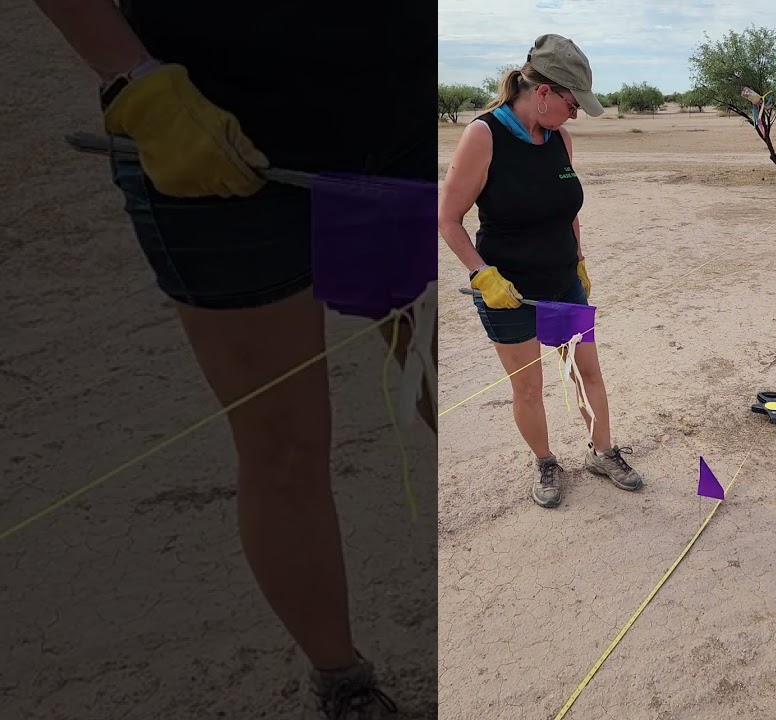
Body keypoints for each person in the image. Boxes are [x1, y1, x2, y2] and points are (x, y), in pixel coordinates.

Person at [31, 1, 435, 717]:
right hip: (205, 134)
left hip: (395, 125)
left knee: (443, 383)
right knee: (283, 450)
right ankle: (342, 681)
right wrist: (134, 78)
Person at [438, 34, 646, 510]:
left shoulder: (560, 139)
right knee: (529, 387)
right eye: (573, 105)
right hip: (507, 292)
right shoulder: (483, 136)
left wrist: (579, 259)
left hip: (562, 284)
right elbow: (448, 220)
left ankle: (602, 452)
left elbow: (566, 209)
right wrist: (482, 275)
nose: (575, 116)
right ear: (545, 93)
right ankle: (546, 461)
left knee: (586, 373)